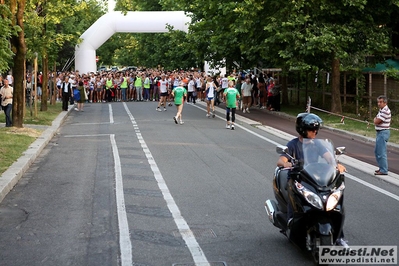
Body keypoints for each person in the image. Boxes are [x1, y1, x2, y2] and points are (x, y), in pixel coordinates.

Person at [276, 113, 348, 247]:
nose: (315, 132)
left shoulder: (318, 145)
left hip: (313, 177)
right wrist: (286, 163)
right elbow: (281, 160)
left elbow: (329, 157)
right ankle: (291, 220)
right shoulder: (293, 144)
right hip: (298, 178)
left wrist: (336, 165)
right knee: (294, 194)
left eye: (316, 130)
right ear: (302, 130)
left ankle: (340, 236)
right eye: (312, 130)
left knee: (333, 201)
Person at [373, 95, 391, 175]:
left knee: (381, 152)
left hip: (383, 132)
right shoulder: (381, 110)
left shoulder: (385, 111)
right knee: (377, 151)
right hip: (380, 132)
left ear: (385, 102)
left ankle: (384, 170)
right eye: (378, 102)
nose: (379, 104)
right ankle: (381, 167)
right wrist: (375, 119)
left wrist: (375, 120)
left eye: (380, 102)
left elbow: (377, 121)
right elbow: (376, 119)